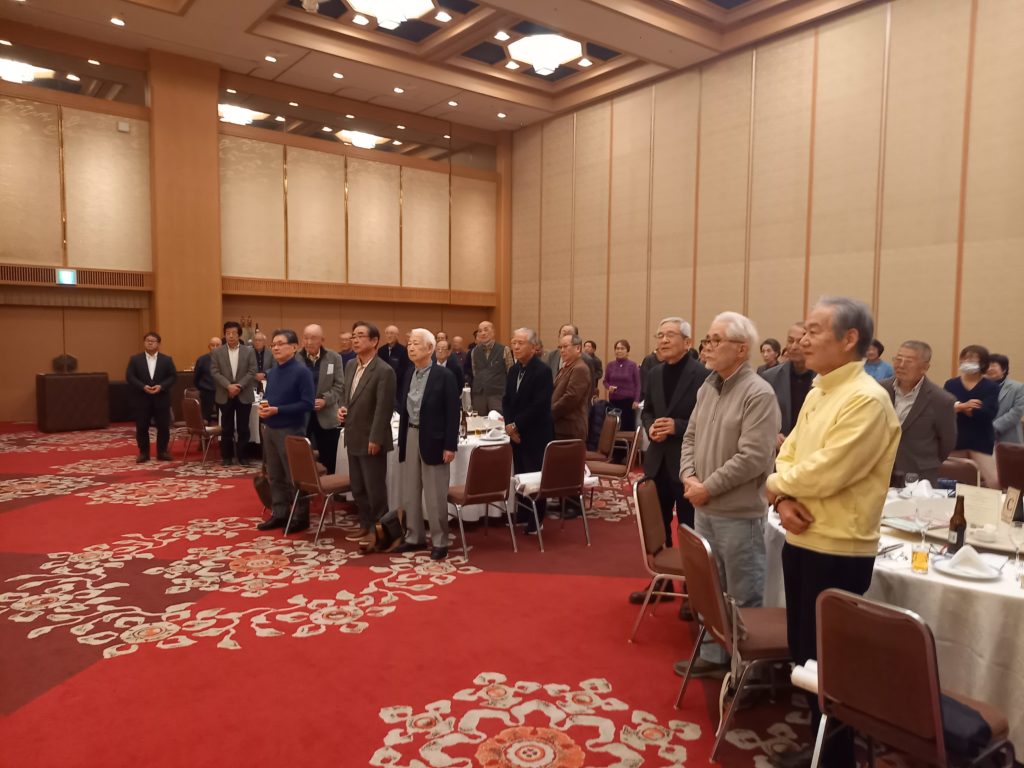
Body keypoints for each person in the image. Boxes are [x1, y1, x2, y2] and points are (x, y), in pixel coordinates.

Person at [766, 296, 900, 768]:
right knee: (805, 654)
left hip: (839, 548)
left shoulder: (867, 399)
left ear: (849, 339)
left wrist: (773, 486)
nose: (803, 340)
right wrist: (781, 499)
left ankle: (836, 757)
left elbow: (827, 471)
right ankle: (821, 745)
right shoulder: (819, 391)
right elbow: (788, 454)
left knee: (832, 661)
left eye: (815, 330)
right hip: (800, 536)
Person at [678, 312, 780, 678]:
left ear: (741, 349)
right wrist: (689, 476)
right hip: (703, 506)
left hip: (738, 515)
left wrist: (708, 487)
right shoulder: (708, 387)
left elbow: (753, 458)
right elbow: (690, 437)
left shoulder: (758, 393)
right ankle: (712, 654)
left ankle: (745, 674)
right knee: (711, 590)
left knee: (742, 596)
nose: (707, 346)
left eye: (716, 340)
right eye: (707, 339)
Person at [630, 317, 708, 607]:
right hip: (658, 461)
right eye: (659, 335)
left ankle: (693, 590)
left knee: (690, 527)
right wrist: (650, 426)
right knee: (658, 524)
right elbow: (648, 410)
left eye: (670, 335)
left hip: (688, 463)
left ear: (687, 342)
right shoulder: (654, 372)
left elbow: (708, 420)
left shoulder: (702, 375)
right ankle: (662, 580)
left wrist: (677, 426)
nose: (662, 340)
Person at [395, 329, 460, 561]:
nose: (411, 348)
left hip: (435, 439)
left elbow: (453, 412)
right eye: (409, 344)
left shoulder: (444, 376)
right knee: (411, 491)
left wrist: (450, 445)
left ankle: (440, 540)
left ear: (430, 348)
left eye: (416, 343)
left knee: (434, 494)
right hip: (411, 435)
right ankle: (415, 536)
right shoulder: (408, 373)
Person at [339, 321, 397, 543]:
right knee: (358, 486)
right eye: (353, 336)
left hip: (372, 438)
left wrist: (376, 438)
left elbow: (384, 408)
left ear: (374, 341)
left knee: (375, 488)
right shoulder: (350, 365)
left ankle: (380, 531)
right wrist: (342, 409)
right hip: (353, 434)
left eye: (360, 336)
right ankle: (365, 524)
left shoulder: (384, 370)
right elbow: (347, 396)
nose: (355, 340)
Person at [255, 329, 315, 534]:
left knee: (294, 476)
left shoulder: (302, 372)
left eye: (281, 344)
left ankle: (301, 516)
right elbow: (270, 398)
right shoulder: (273, 372)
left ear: (294, 347)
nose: (276, 348)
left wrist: (278, 410)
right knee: (274, 474)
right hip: (271, 428)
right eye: (273, 345)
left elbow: (307, 404)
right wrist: (265, 409)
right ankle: (280, 513)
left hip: (291, 430)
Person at [879, 341, 956, 484]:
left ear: (925, 367)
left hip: (919, 474)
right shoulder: (879, 390)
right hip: (879, 470)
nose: (901, 365)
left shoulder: (941, 400)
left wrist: (925, 462)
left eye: (909, 361)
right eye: (898, 359)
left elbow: (947, 443)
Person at [503, 328, 555, 535]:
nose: (515, 347)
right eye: (514, 342)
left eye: (520, 343)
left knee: (535, 475)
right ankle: (523, 513)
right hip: (516, 433)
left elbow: (539, 405)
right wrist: (509, 426)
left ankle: (537, 518)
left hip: (536, 432)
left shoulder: (542, 371)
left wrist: (516, 425)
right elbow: (507, 400)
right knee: (520, 473)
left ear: (533, 348)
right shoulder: (513, 370)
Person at [944, 345, 1000, 487]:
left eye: (973, 359)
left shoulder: (990, 387)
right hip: (956, 440)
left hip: (981, 441)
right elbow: (944, 409)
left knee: (994, 482)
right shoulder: (951, 384)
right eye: (965, 358)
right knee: (947, 478)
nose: (967, 362)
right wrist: (964, 406)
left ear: (983, 363)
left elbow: (988, 413)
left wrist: (960, 407)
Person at [299, 324, 345, 475]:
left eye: (313, 338)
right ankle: (303, 486)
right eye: (306, 338)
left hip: (327, 414)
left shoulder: (334, 358)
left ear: (322, 340)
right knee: (300, 456)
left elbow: (339, 385)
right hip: (302, 415)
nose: (309, 342)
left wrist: (325, 400)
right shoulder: (295, 358)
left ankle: (330, 484)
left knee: (329, 456)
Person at [210, 321, 257, 466]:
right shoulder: (217, 352)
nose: (230, 336)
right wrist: (228, 386)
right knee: (227, 427)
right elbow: (214, 371)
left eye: (234, 333)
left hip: (244, 393)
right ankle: (227, 457)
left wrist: (239, 386)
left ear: (239, 335)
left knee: (243, 427)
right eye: (228, 333)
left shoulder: (249, 351)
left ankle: (243, 456)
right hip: (225, 394)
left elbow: (252, 371)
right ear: (224, 335)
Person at [125, 331, 177, 463]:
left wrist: (161, 386)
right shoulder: (135, 359)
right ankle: (144, 453)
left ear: (158, 344)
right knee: (142, 426)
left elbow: (173, 377)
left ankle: (162, 452)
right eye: (147, 340)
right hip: (142, 398)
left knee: (163, 426)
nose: (149, 343)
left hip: (161, 398)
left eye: (153, 341)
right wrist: (142, 386)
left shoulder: (167, 360)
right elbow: (130, 376)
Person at [761, 322, 813, 449]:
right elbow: (760, 417)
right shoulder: (770, 377)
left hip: (812, 448)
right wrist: (772, 434)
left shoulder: (824, 377)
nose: (793, 346)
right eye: (790, 341)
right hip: (780, 450)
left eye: (799, 341)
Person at [470, 320, 512, 415]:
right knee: (478, 422)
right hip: (479, 394)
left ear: (493, 332)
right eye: (480, 331)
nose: (483, 333)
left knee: (497, 421)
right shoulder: (474, 351)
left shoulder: (504, 349)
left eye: (486, 330)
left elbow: (510, 373)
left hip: (498, 394)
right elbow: (474, 372)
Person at [603, 339, 641, 432]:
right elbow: (605, 381)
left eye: (622, 348)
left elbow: (638, 384)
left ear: (627, 351)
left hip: (628, 401)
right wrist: (609, 387)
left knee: (627, 427)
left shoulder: (632, 365)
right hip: (614, 401)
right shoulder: (610, 365)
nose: (619, 351)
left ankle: (628, 442)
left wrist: (636, 400)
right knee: (614, 427)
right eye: (617, 348)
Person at [987, 354, 1024, 445]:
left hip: (1008, 436)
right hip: (982, 436)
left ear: (1004, 369)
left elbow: (1017, 412)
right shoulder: (980, 386)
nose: (989, 368)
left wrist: (992, 427)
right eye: (987, 366)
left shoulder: (1018, 387)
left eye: (993, 365)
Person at [378, 325, 410, 408]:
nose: (389, 335)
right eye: (387, 333)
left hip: (399, 386)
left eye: (392, 333)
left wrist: (392, 378)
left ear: (397, 335)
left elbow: (405, 369)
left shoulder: (403, 350)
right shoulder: (381, 350)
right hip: (383, 384)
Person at [193, 336, 222, 423]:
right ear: (209, 347)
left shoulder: (226, 359)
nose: (215, 347)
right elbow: (196, 378)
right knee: (205, 418)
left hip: (222, 392)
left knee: (223, 418)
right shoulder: (202, 360)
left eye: (218, 345)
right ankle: (206, 431)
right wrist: (203, 388)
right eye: (213, 345)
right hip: (207, 393)